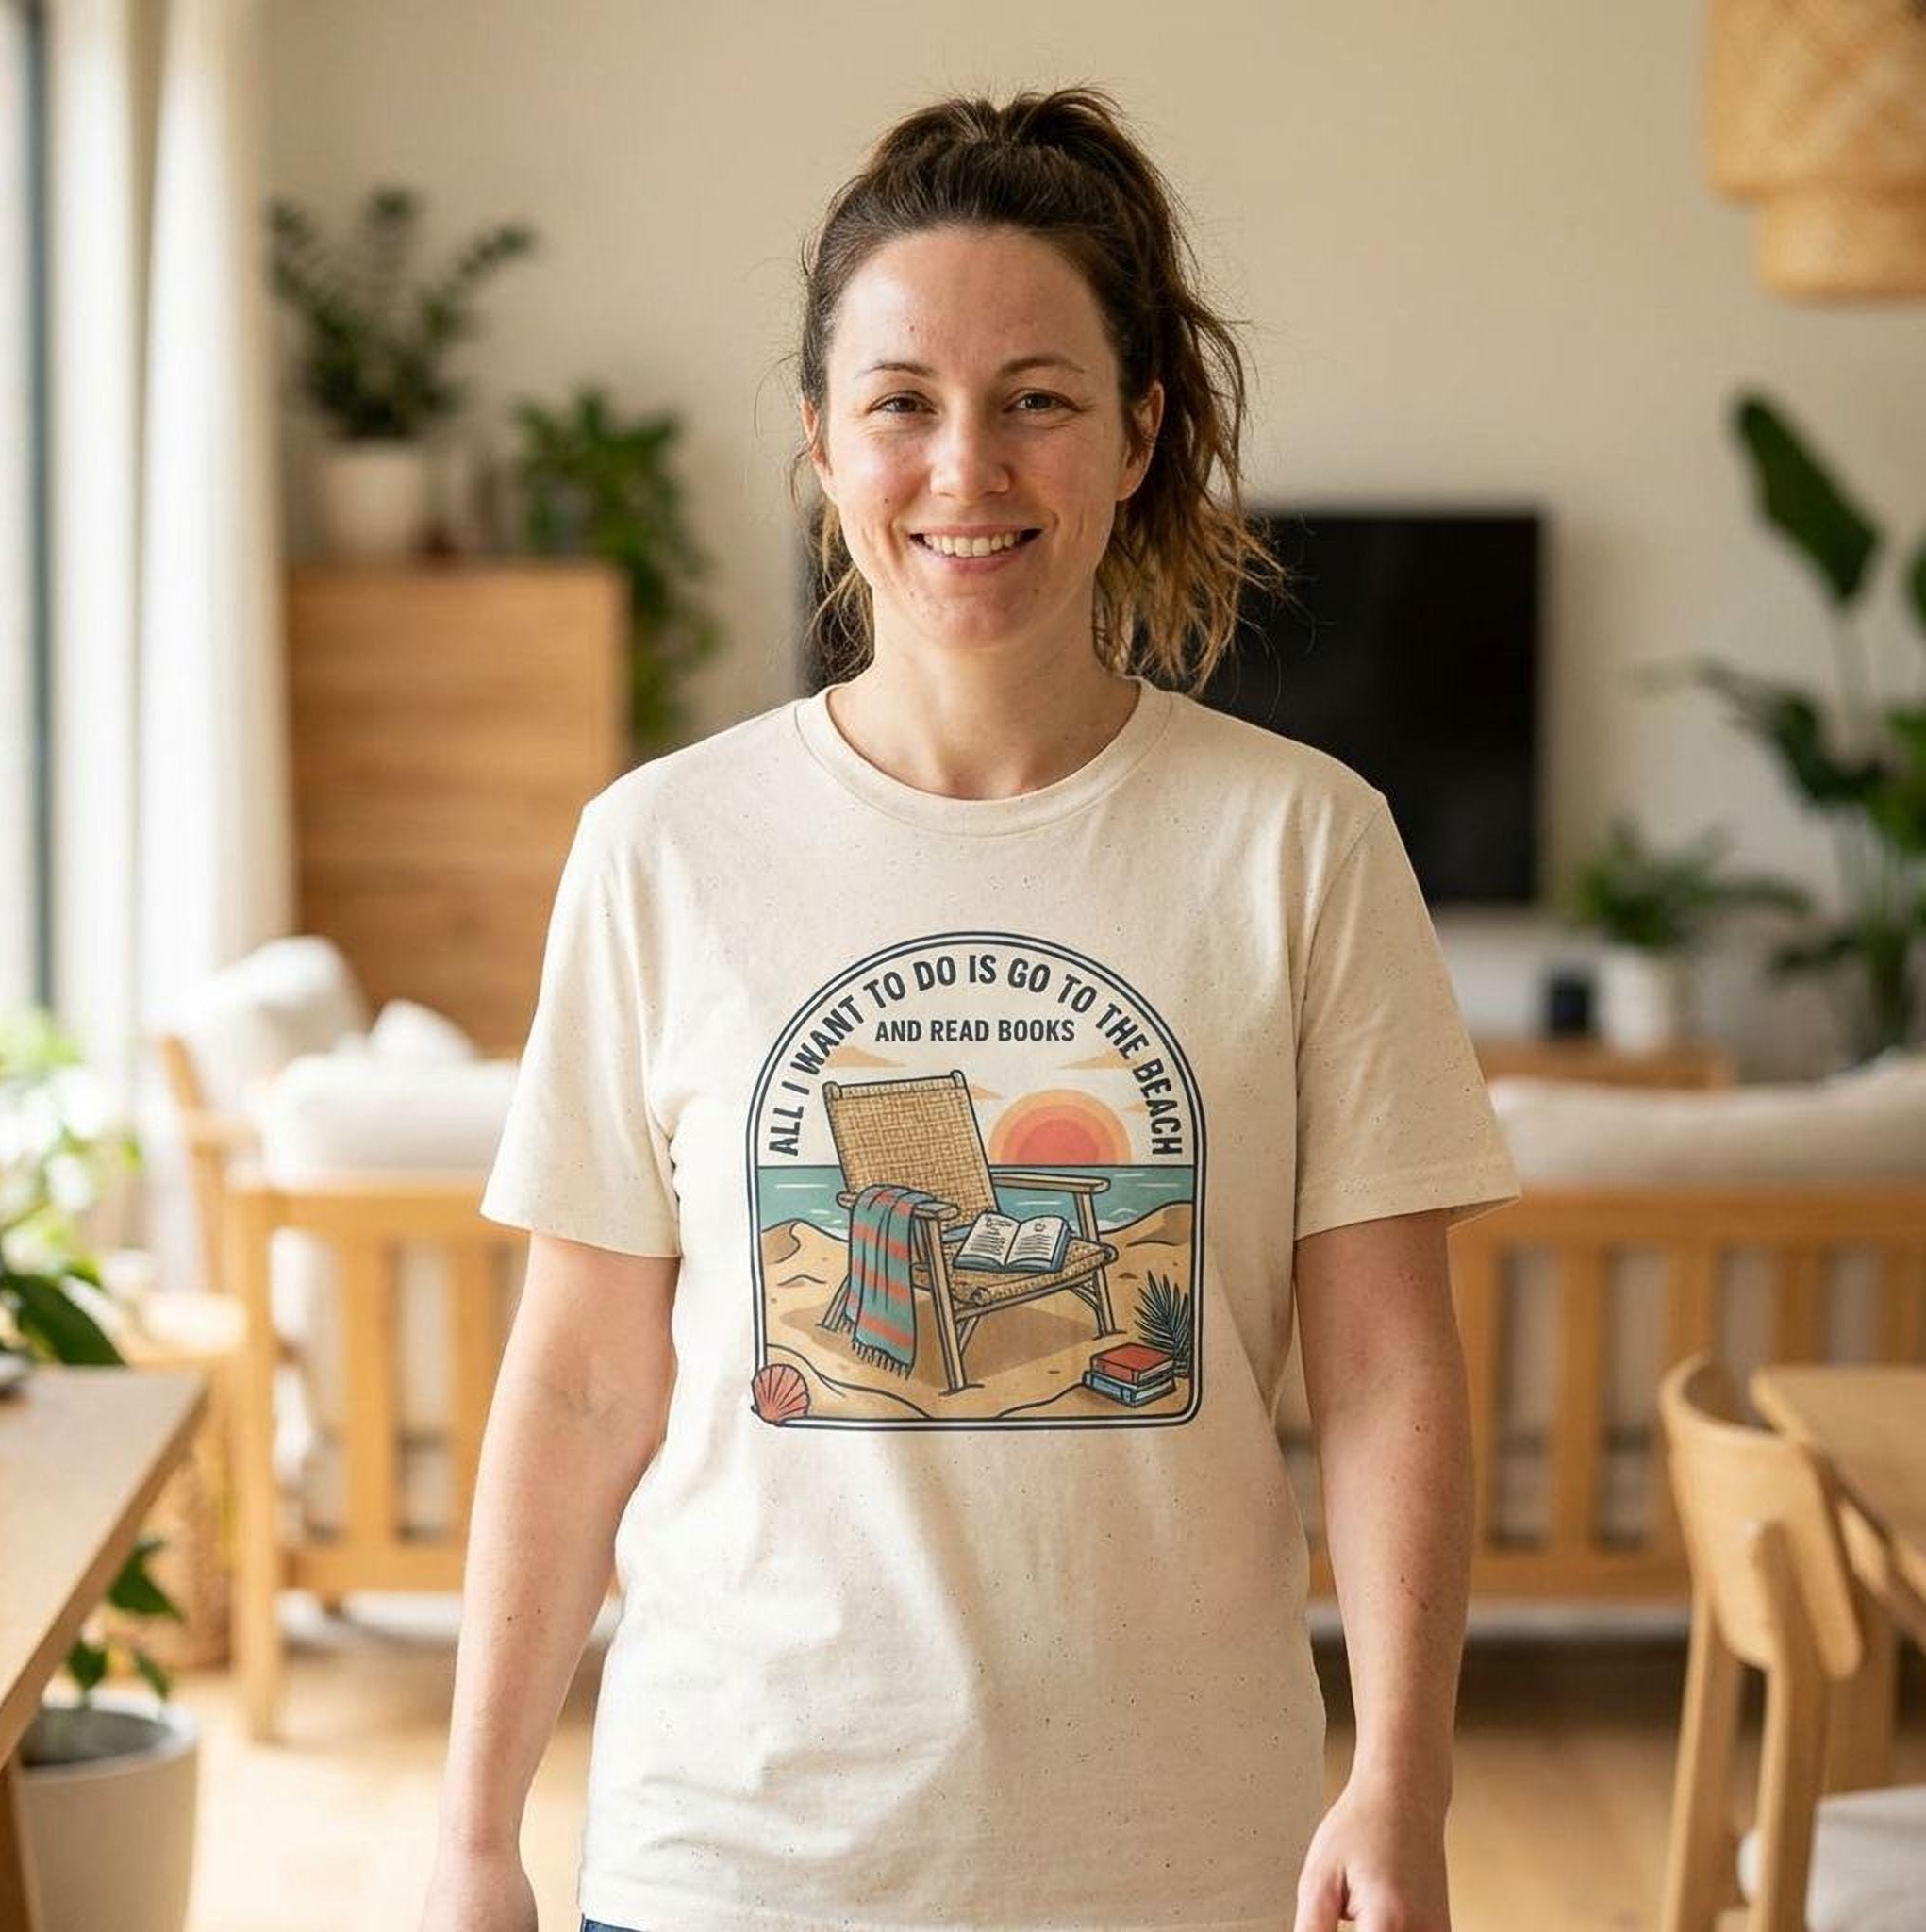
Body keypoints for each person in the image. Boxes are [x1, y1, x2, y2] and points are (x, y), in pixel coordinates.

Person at [419, 83, 1521, 1932]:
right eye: (902, 403)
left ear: (1136, 433)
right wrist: (468, 1830)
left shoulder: (1303, 845)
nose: (965, 469)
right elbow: (582, 1375)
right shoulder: (660, 849)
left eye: (1037, 399)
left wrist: (1396, 1777)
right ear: (820, 440)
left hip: (1182, 1860)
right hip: (733, 1852)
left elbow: (1390, 1368)